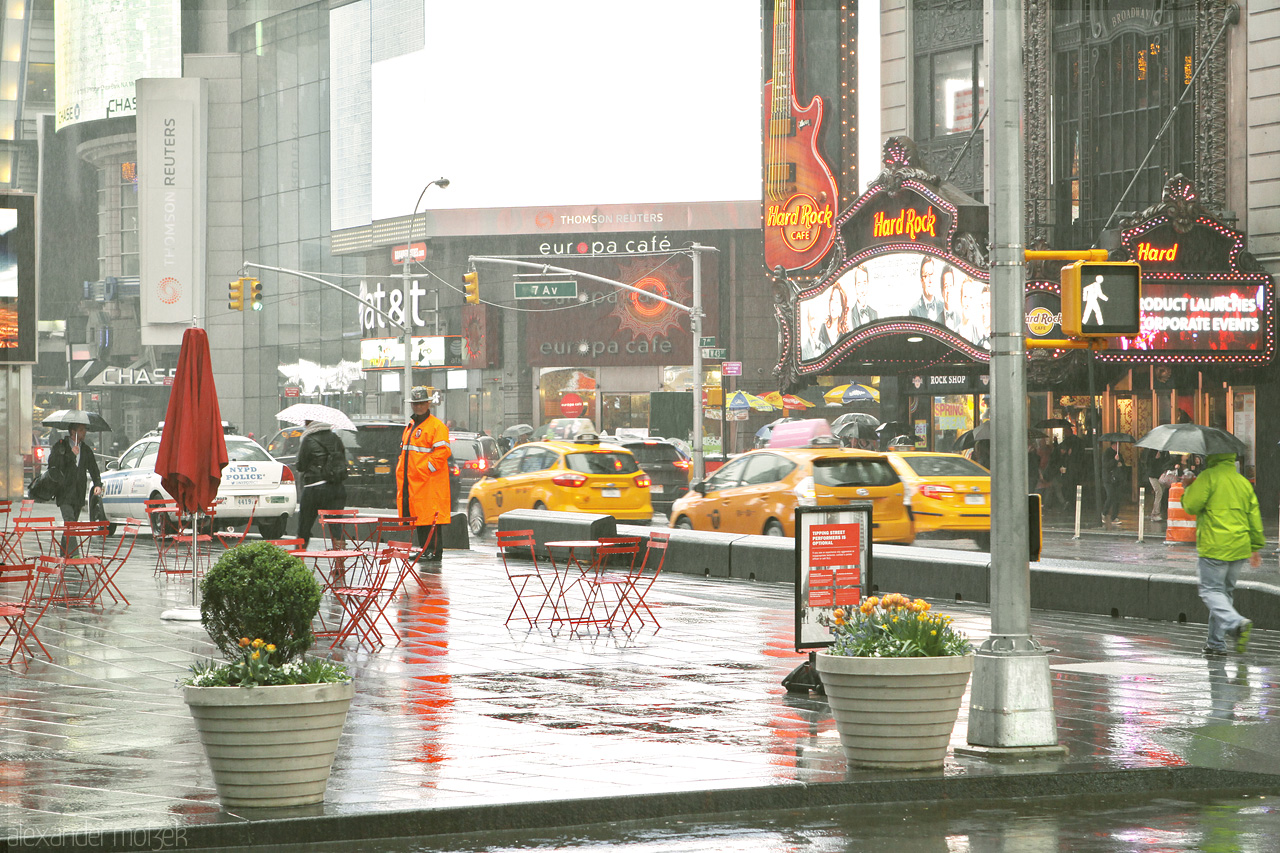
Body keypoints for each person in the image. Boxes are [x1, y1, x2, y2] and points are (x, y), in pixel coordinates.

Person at [1181, 452, 1263, 655]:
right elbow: (1254, 515)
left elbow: (1190, 506)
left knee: (1210, 592)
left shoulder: (1208, 477)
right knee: (1224, 595)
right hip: (1239, 547)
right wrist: (1256, 546)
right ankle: (1216, 643)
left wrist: (1188, 486)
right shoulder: (1242, 482)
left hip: (1214, 546)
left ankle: (1237, 624)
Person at [397, 385, 451, 563]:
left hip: (429, 483)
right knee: (420, 518)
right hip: (415, 483)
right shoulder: (411, 426)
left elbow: (442, 453)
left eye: (421, 403)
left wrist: (424, 469)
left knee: (431, 519)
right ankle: (425, 550)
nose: (418, 406)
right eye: (415, 403)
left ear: (428, 403)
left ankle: (433, 552)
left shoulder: (436, 426)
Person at [295, 418, 348, 549]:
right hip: (336, 487)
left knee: (304, 526)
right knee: (336, 525)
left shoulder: (308, 439)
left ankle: (298, 563)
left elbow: (301, 466)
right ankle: (339, 565)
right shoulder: (336, 438)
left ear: (309, 423)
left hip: (314, 487)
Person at [47, 423, 103, 526]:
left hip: (79, 493)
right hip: (64, 492)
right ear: (73, 432)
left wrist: (98, 484)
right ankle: (72, 542)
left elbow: (93, 468)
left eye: (85, 430)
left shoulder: (86, 449)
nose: (84, 432)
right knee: (70, 522)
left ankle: (66, 542)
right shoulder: (61, 446)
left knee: (71, 525)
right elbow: (53, 464)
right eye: (81, 430)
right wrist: (71, 455)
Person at [908, 256, 946, 322]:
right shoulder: (913, 311)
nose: (930, 280)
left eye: (931, 274)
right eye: (926, 276)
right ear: (921, 281)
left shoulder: (944, 307)